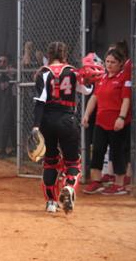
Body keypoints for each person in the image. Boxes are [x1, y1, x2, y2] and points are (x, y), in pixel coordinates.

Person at [32, 42, 94, 213]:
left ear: (49, 54)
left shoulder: (43, 73)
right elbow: (87, 91)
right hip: (67, 119)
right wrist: (89, 79)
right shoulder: (74, 72)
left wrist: (36, 127)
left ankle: (51, 203)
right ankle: (69, 188)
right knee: (73, 162)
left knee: (50, 162)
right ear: (65, 54)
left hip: (47, 121)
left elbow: (40, 102)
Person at [81, 47, 131, 195]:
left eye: (113, 62)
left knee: (117, 153)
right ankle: (97, 181)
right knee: (97, 151)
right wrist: (86, 115)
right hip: (101, 122)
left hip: (117, 123)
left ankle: (119, 184)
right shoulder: (102, 78)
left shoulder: (124, 78)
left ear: (121, 63)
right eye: (107, 61)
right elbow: (94, 98)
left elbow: (126, 100)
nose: (109, 65)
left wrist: (121, 118)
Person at [0, 55, 17, 159]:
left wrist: (4, 70)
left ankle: (3, 149)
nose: (1, 63)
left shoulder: (11, 70)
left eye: (4, 61)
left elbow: (10, 72)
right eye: (0, 61)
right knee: (10, 125)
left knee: (6, 124)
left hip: (13, 101)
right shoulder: (0, 70)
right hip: (5, 101)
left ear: (8, 63)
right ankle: (15, 149)